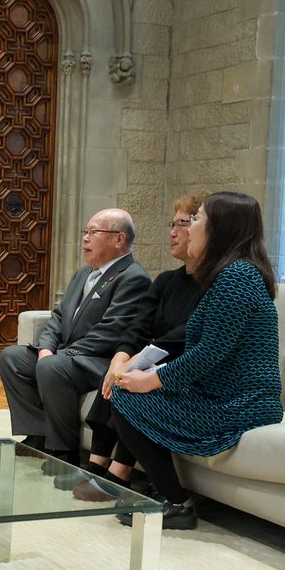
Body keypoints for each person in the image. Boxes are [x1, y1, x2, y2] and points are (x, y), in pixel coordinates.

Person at [110, 191, 283, 529]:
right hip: (223, 394)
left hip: (242, 403)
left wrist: (151, 379)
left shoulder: (237, 277)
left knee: (127, 397)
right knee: (129, 391)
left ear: (219, 229)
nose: (190, 227)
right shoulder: (230, 275)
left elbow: (208, 353)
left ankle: (176, 503)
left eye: (197, 218)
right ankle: (163, 492)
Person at [67, 195, 207, 498]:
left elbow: (185, 336)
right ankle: (97, 463)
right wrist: (120, 359)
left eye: (183, 224)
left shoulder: (217, 285)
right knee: (116, 372)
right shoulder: (167, 280)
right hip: (152, 358)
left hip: (182, 367)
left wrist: (133, 364)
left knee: (133, 380)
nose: (173, 232)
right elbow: (137, 327)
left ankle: (120, 471)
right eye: (172, 224)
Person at [0, 208, 151, 465]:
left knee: (52, 367)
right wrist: (46, 348)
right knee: (12, 358)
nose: (85, 238)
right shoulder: (83, 273)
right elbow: (58, 316)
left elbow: (110, 332)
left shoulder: (133, 278)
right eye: (85, 231)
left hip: (99, 361)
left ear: (119, 239)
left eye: (94, 232)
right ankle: (38, 435)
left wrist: (59, 355)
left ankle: (64, 452)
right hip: (67, 356)